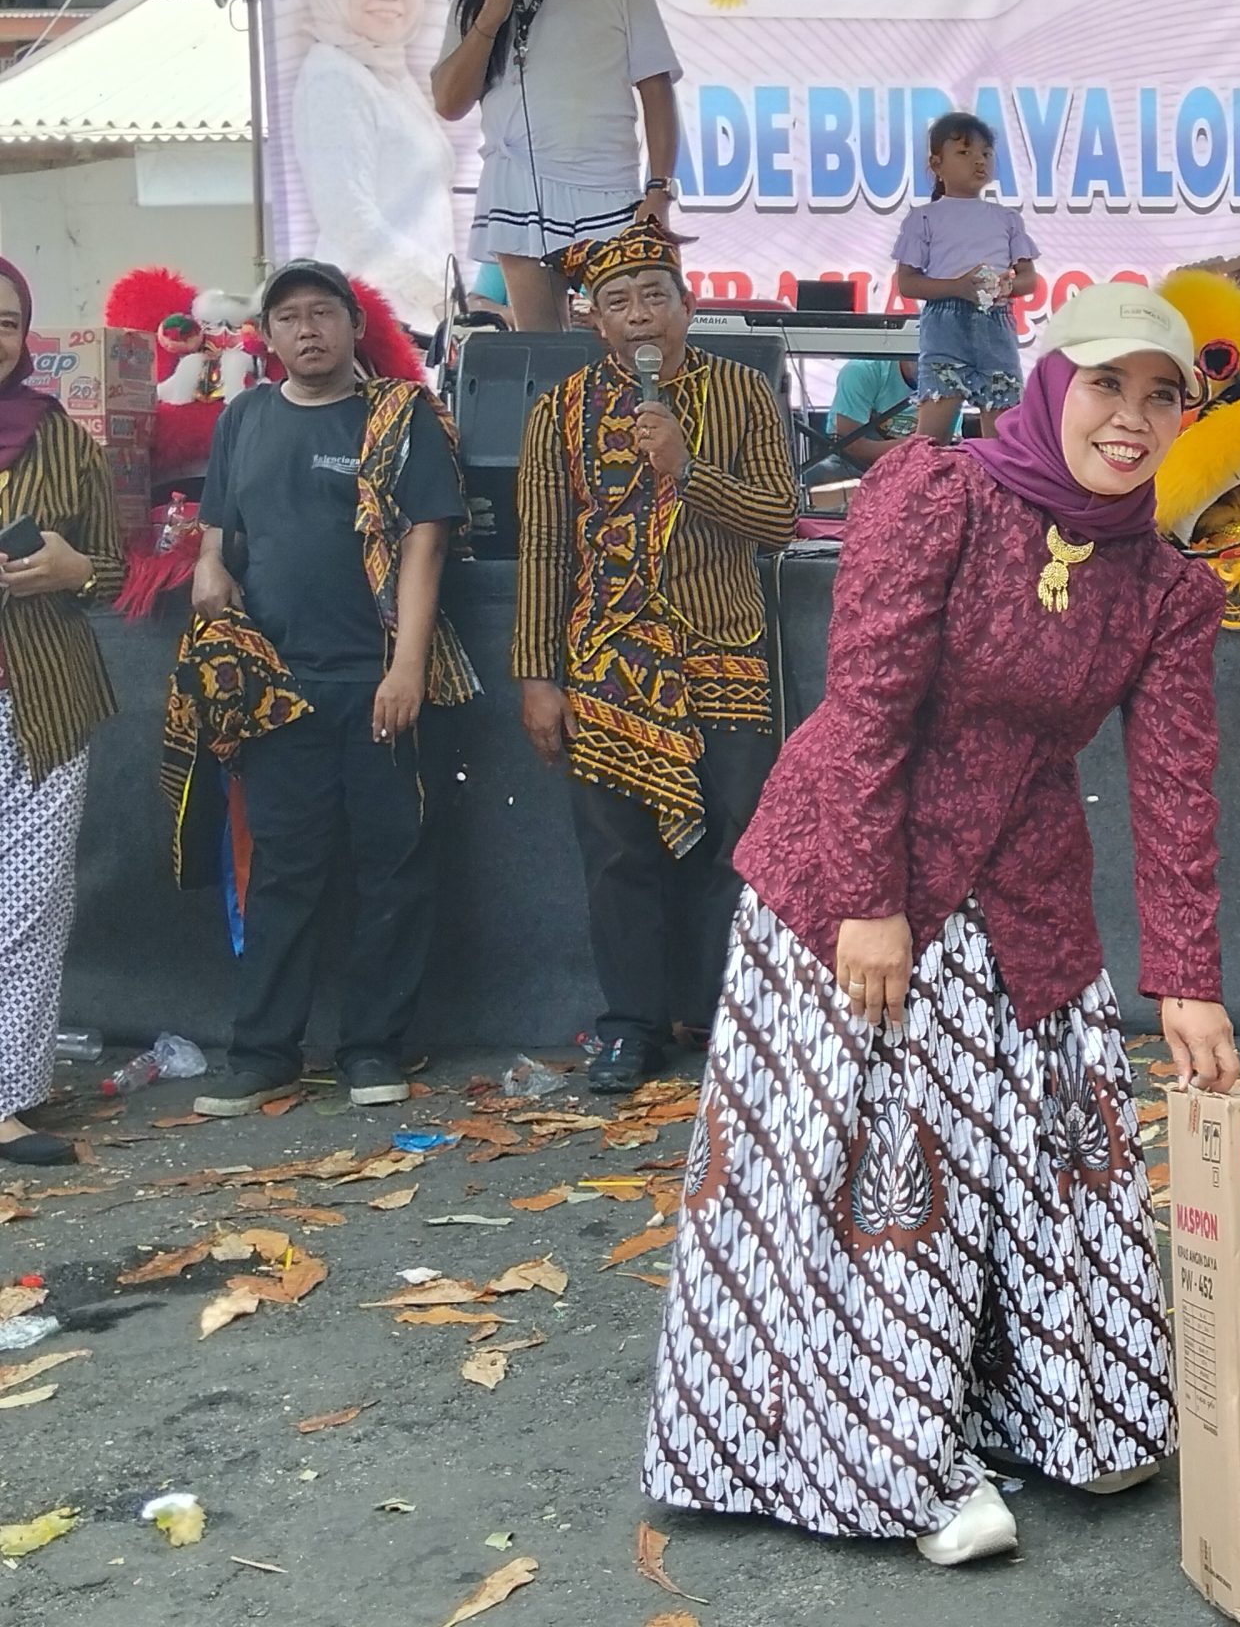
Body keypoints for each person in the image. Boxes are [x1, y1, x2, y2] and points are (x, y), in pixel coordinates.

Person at [644, 284, 1240, 1566]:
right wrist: (870, 901)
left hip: (1023, 888)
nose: (1132, 420)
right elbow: (863, 707)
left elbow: (1176, 788)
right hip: (853, 868)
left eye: (1161, 395)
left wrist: (1186, 980)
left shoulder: (1165, 586)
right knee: (877, 1159)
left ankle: (1041, 1408)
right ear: (1049, 382)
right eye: (1105, 385)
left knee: (1053, 1140)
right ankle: (895, 1463)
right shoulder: (941, 493)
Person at [510, 223, 796, 1094]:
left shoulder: (745, 394)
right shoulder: (557, 412)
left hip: (723, 653)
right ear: (593, 321)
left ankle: (726, 1023)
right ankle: (632, 1027)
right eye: (618, 302)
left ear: (689, 306)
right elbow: (545, 553)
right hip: (605, 665)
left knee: (732, 847)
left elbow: (780, 520)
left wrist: (686, 468)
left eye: (654, 296)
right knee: (619, 855)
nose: (639, 316)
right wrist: (536, 676)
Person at [186, 260, 476, 1118]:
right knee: (283, 868)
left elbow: (426, 543)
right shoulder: (243, 419)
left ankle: (374, 1048)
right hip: (276, 688)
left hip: (377, 676)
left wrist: (408, 665)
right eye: (288, 318)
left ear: (355, 325)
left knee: (392, 867)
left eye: (323, 313)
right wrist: (208, 567)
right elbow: (218, 528)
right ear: (267, 338)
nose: (306, 330)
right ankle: (264, 1050)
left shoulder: (397, 417)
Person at [431, 0, 680, 333]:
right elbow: (449, 102)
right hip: (517, 186)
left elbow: (657, 93)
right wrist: (491, 12)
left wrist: (658, 191)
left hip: (610, 191)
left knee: (639, 339)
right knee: (543, 354)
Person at [0, 259, 124, 1166]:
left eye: (8, 322)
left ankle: (11, 1091)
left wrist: (73, 570)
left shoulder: (60, 437)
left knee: (34, 898)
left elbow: (115, 565)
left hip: (43, 697)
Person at [294, 0, 456, 329]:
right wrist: (436, 291)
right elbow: (348, 218)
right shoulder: (333, 73)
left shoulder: (389, 72)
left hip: (413, 318)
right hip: (368, 320)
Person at [892, 111, 1036, 445]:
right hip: (946, 327)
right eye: (964, 153)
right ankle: (924, 495)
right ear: (937, 163)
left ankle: (999, 496)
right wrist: (957, 288)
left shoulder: (1006, 218)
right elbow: (908, 283)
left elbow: (1029, 279)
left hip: (995, 326)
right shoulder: (923, 218)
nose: (978, 162)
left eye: (985, 154)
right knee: (932, 438)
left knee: (1003, 438)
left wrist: (1007, 286)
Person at [826, 352, 918, 471]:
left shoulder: (946, 380)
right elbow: (850, 446)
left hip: (915, 464)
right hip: (851, 463)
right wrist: (916, 446)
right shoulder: (861, 371)